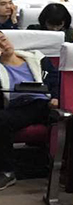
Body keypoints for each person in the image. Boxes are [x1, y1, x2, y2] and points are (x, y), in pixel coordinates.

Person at [0, 31, 60, 190]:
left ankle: (7, 171)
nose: (4, 45)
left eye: (3, 39)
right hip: (14, 107)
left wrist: (56, 97)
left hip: (42, 103)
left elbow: (57, 80)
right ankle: (7, 170)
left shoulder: (36, 58)